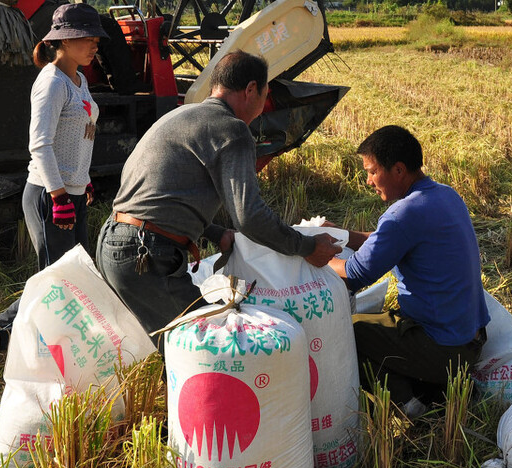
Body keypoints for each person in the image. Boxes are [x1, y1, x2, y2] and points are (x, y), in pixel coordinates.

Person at [97, 49, 341, 339]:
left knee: (170, 348)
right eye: (264, 95)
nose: (263, 105)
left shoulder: (181, 115)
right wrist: (307, 247)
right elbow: (249, 217)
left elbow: (157, 196)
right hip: (145, 254)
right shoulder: (232, 130)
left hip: (114, 243)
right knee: (210, 345)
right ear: (251, 90)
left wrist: (215, 233)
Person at [327, 125, 490, 419]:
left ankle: (411, 410)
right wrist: (339, 235)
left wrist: (312, 249)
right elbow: (386, 242)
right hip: (470, 339)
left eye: (372, 172)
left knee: (349, 332)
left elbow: (354, 274)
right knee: (378, 326)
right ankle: (437, 392)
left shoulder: (404, 214)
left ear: (399, 170)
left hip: (446, 348)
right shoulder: (443, 195)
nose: (368, 181)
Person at [0, 3, 106, 350]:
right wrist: (59, 195)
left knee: (74, 274)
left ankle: (48, 341)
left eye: (96, 37)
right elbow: (40, 145)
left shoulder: (79, 79)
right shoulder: (51, 83)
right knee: (56, 280)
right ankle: (0, 335)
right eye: (86, 37)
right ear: (63, 41)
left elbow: (79, 134)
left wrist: (83, 180)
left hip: (72, 191)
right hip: (48, 194)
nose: (94, 43)